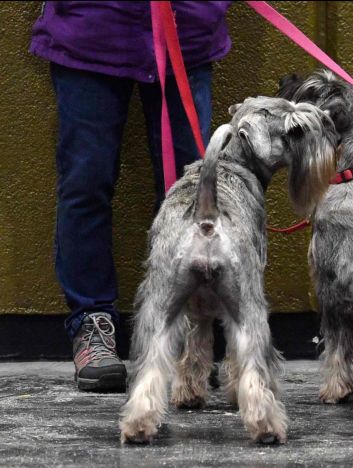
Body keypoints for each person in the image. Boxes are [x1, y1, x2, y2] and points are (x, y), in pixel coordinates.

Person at [29, 1, 233, 392]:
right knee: (85, 183)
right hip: (91, 29)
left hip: (186, 27)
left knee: (192, 192)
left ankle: (185, 328)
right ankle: (91, 320)